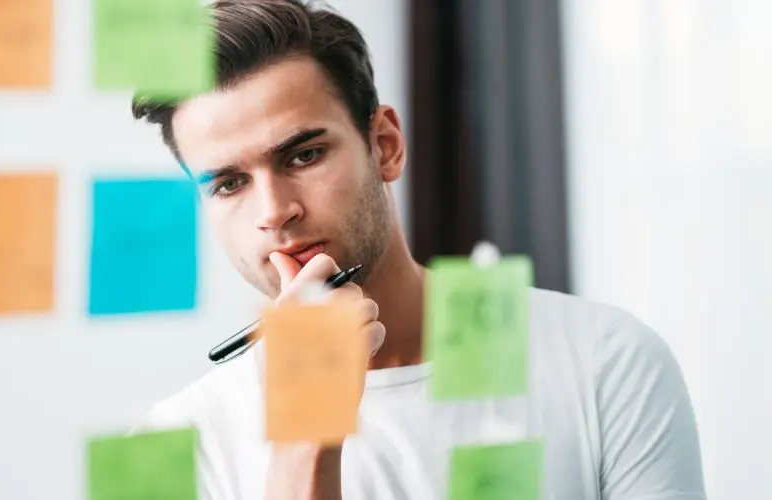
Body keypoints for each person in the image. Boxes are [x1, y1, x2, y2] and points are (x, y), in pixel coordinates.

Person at [128, 1, 707, 498]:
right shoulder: (167, 449)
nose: (275, 210)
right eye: (229, 184)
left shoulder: (607, 361)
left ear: (385, 145)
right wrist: (301, 442)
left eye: (303, 156)